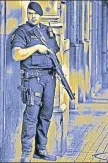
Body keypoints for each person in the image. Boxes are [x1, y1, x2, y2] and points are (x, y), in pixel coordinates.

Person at [11, 2, 60, 162]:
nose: (33, 16)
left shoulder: (47, 30)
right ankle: (26, 153)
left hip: (49, 78)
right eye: (30, 13)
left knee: (46, 114)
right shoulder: (21, 32)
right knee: (31, 115)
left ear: (41, 15)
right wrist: (36, 47)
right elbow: (16, 55)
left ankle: (41, 149)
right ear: (27, 13)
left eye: (36, 14)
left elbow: (55, 51)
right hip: (32, 78)